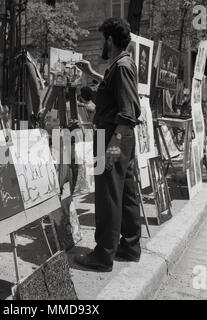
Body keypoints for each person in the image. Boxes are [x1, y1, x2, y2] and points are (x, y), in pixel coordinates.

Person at [74, 18, 142, 272]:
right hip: (120, 138)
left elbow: (128, 111)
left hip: (113, 138)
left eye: (103, 39)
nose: (102, 44)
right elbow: (113, 92)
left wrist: (113, 146)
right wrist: (92, 74)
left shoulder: (122, 66)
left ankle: (103, 256)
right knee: (126, 193)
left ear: (110, 41)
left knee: (108, 196)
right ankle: (130, 247)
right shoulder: (122, 65)